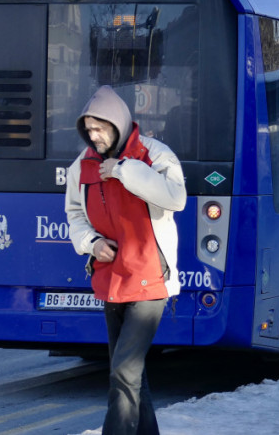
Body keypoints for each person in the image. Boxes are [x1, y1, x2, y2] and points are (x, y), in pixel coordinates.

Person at [65, 85, 187, 435]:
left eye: (99, 128)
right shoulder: (82, 165)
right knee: (131, 376)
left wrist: (124, 170)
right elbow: (75, 214)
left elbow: (175, 198)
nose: (93, 136)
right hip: (112, 279)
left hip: (151, 280)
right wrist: (91, 242)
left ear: (117, 123)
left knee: (124, 373)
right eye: (88, 129)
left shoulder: (155, 155)